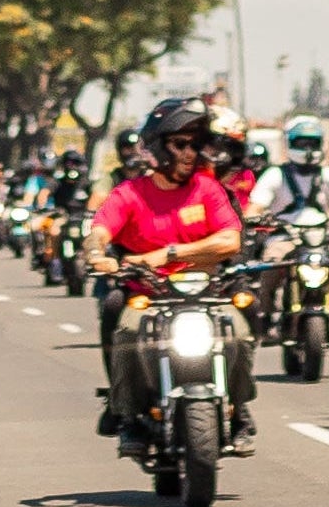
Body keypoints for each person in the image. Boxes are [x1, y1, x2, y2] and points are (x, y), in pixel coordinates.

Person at [84, 97, 257, 455]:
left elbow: (230, 240)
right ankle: (127, 414)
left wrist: (168, 254)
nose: (191, 153)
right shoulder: (129, 193)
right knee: (125, 327)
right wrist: (96, 252)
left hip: (207, 293)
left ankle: (238, 410)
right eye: (180, 144)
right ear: (157, 147)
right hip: (149, 295)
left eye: (196, 144)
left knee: (239, 334)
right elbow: (99, 230)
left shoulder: (208, 190)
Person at [245, 115, 329, 343]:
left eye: (312, 143)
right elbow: (254, 206)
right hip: (284, 236)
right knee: (270, 266)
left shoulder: (327, 174)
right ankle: (266, 316)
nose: (307, 149)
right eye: (302, 143)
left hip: (321, 238)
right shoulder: (275, 175)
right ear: (290, 144)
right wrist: (255, 218)